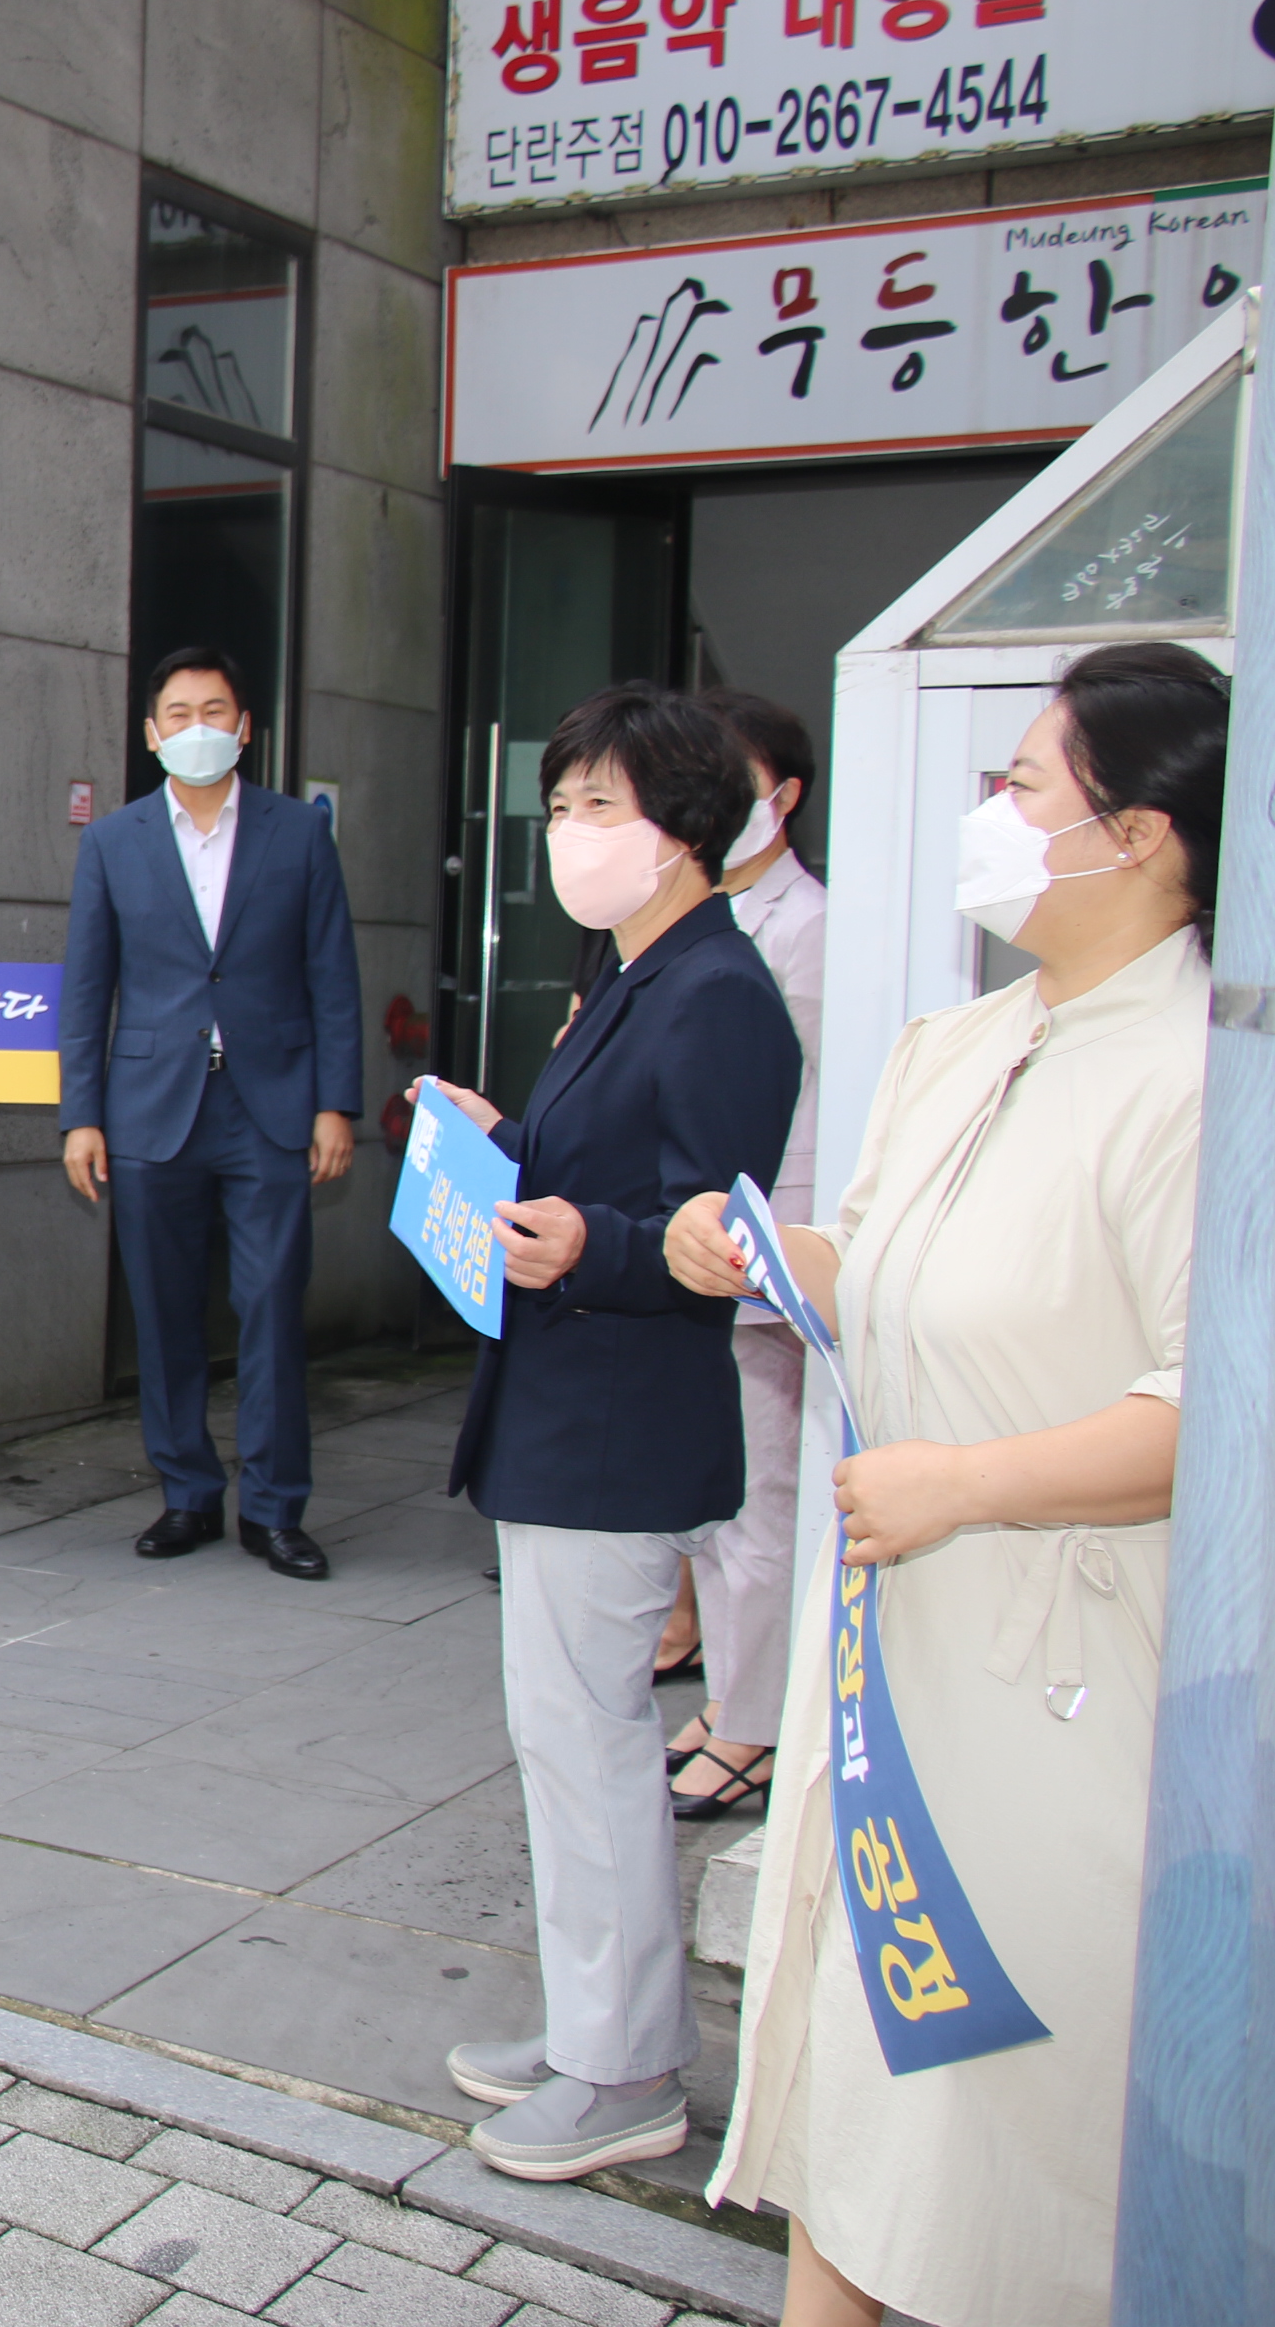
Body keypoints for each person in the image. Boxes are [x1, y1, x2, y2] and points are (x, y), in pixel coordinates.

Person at [684, 644, 1221, 2327]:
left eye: (1022, 783)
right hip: (891, 1652)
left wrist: (972, 1485)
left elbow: (1214, 1407)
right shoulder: (958, 1040)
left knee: (1001, 2135)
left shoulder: (1204, 1077)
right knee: (855, 2092)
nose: (988, 812)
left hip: (1055, 1686)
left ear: (1134, 834)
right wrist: (759, 1251)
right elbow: (876, 1266)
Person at [424, 682, 799, 2182]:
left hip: (617, 1420)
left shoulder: (715, 992)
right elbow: (605, 1168)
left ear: (684, 824)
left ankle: (628, 2067)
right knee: (565, 1738)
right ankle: (599, 2024)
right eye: (563, 803)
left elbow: (713, 1231)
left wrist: (592, 1243)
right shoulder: (636, 970)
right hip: (567, 1405)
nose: (569, 831)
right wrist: (502, 1144)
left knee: (588, 1743)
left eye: (600, 805)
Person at [58, 645, 363, 1580]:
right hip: (151, 1109)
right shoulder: (113, 841)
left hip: (270, 1106)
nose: (199, 728)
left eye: (215, 711)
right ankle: (187, 1492)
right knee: (163, 1311)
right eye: (180, 714)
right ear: (153, 735)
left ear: (245, 726)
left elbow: (333, 976)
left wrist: (336, 1103)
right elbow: (88, 988)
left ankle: (274, 1509)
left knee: (270, 1307)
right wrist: (81, 1114)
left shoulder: (298, 832)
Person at [656, 688, 826, 1822]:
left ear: (785, 796)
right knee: (716, 1505)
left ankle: (755, 1727)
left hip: (761, 1250)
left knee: (759, 1502)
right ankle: (733, 1698)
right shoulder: (700, 917)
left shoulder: (811, 925)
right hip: (700, 1245)